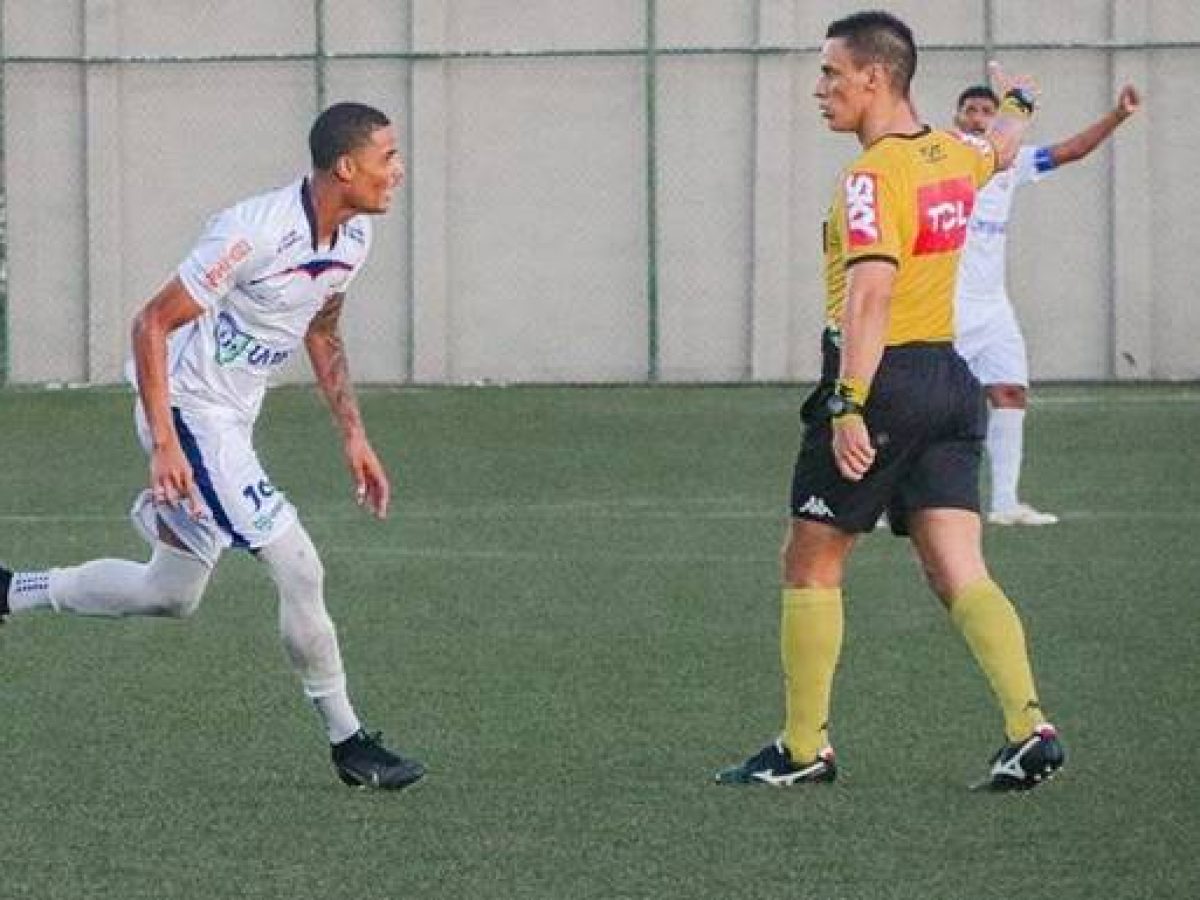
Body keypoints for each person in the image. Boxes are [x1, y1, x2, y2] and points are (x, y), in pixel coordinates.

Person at [0, 102, 424, 791]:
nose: (398, 173)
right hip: (191, 413)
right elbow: (150, 323)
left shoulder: (351, 240)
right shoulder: (253, 232)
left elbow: (322, 330)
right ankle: (350, 743)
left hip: (230, 416)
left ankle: (9, 590)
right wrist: (165, 444)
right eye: (389, 158)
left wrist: (354, 434)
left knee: (169, 593)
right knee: (299, 565)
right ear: (346, 168)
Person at [716, 11, 1064, 791]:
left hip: (884, 382)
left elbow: (871, 292)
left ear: (876, 78)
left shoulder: (872, 177)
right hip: (949, 381)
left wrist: (847, 404)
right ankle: (1028, 726)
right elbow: (1001, 147)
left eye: (832, 74)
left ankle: (804, 750)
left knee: (810, 559)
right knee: (957, 565)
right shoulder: (954, 152)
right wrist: (1021, 105)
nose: (821, 90)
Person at [953, 83, 1141, 526]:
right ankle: (886, 497)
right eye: (970, 110)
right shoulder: (947, 156)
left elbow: (1071, 150)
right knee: (924, 401)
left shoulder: (1011, 161)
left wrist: (1118, 115)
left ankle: (1005, 503)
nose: (979, 117)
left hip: (993, 304)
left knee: (1010, 392)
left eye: (987, 110)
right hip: (948, 302)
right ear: (957, 118)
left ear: (998, 119)